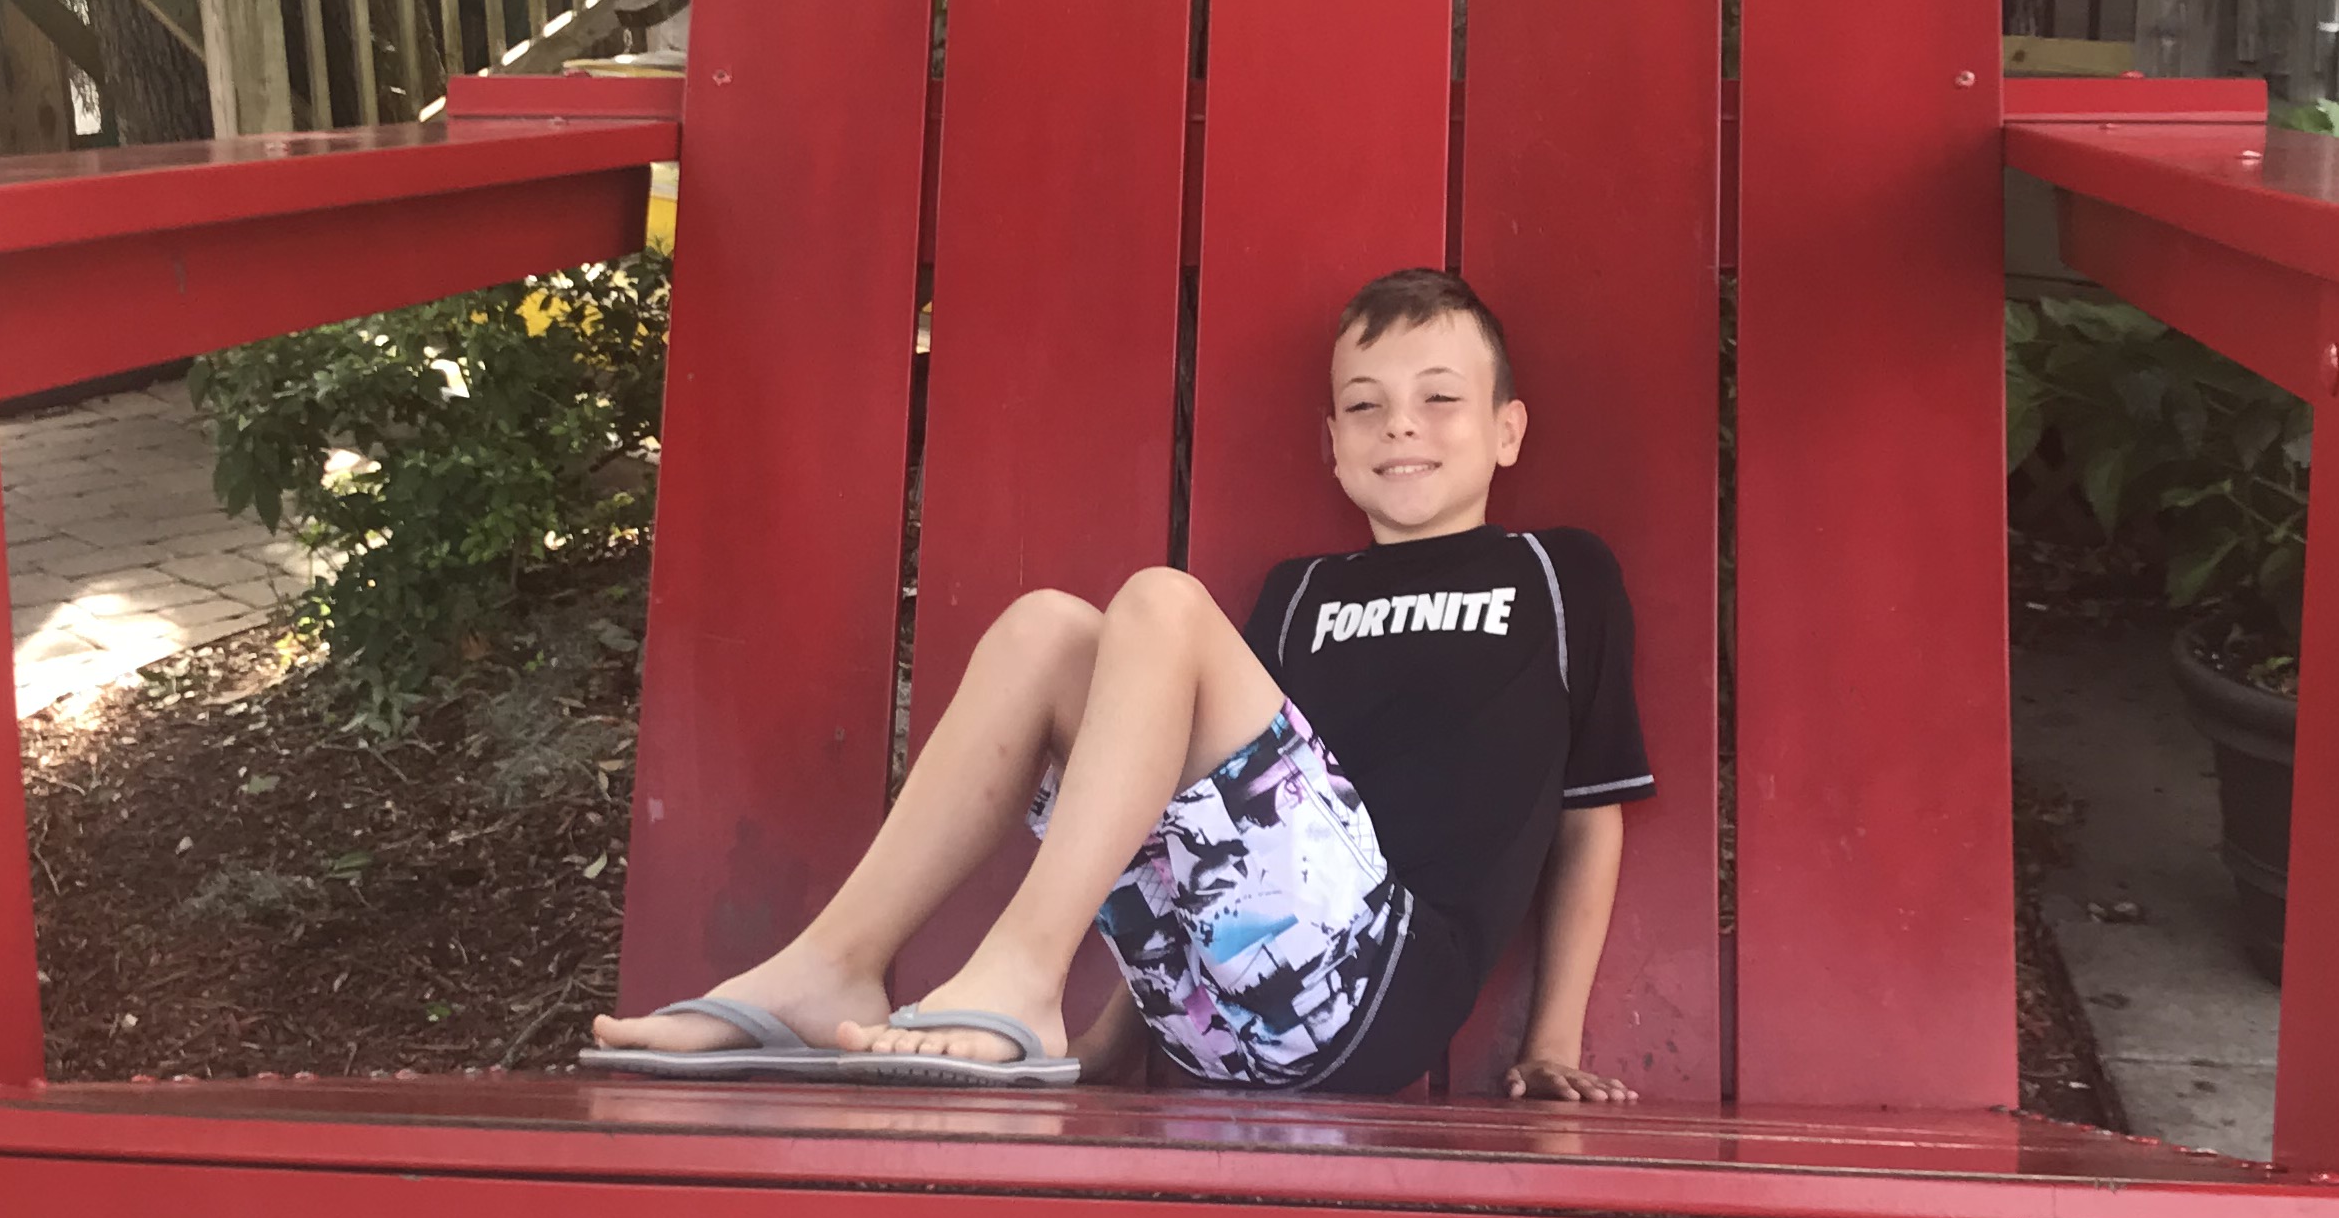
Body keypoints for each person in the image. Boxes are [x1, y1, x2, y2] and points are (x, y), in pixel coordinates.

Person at [588, 268, 1648, 1101]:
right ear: (1333, 446)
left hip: (1381, 990)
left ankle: (1024, 973)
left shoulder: (1558, 576)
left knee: (1161, 602)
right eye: (1364, 406)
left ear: (1508, 428)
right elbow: (1223, 828)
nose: (1401, 425)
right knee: (1045, 630)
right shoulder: (1300, 594)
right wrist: (1111, 1043)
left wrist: (1552, 1038)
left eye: (1440, 399)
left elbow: (1588, 813)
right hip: (1210, 1015)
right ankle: (835, 962)